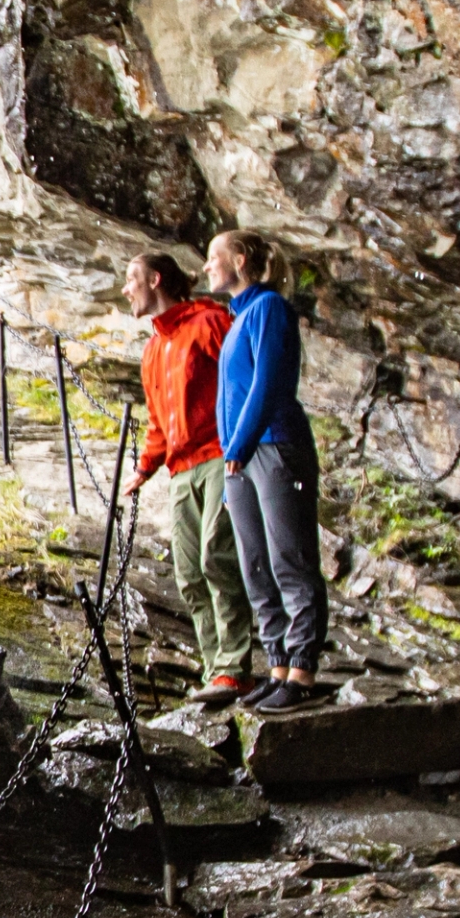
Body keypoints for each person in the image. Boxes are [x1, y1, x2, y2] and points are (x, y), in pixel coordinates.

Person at [119, 251, 260, 704]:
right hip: (181, 470)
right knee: (188, 573)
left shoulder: (209, 322)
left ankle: (234, 668)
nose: (125, 289)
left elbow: (247, 377)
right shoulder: (153, 348)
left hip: (222, 455)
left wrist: (247, 440)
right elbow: (160, 420)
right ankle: (216, 668)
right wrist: (145, 466)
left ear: (156, 280)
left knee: (217, 556)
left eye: (131, 279)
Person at [207, 229, 327, 711]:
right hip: (241, 456)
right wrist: (232, 452)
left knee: (289, 559)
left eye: (214, 258)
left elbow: (268, 384)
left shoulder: (269, 309)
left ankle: (302, 670)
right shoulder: (237, 317)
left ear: (239, 260)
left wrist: (238, 442)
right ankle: (276, 664)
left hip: (274, 446)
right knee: (255, 564)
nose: (206, 267)